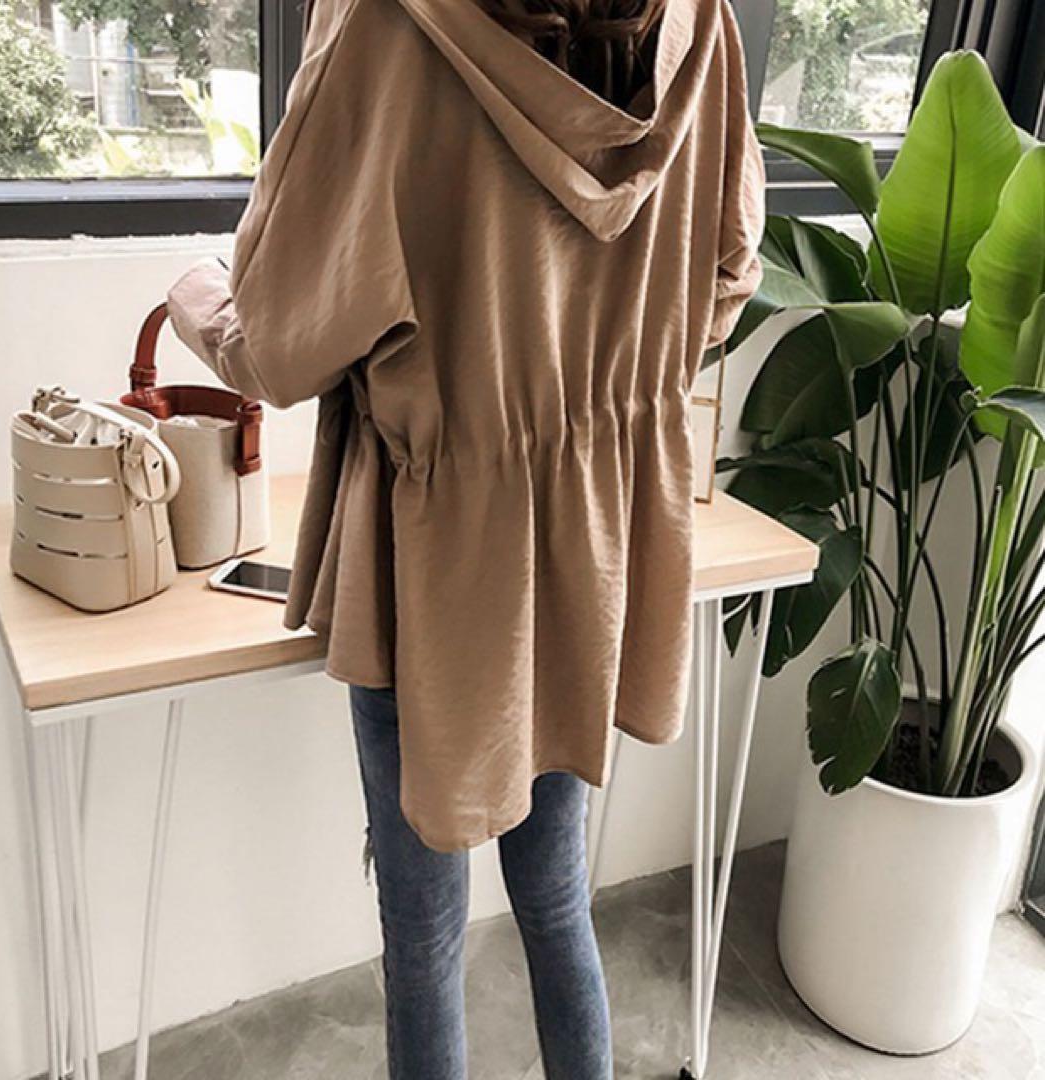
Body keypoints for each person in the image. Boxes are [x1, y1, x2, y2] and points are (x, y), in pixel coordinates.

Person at [165, 0, 765, 1076]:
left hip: (434, 560)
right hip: (600, 546)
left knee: (425, 931)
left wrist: (192, 292)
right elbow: (728, 275)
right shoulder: (699, 24)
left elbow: (277, 341)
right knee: (557, 897)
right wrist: (607, 376)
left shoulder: (386, 26)